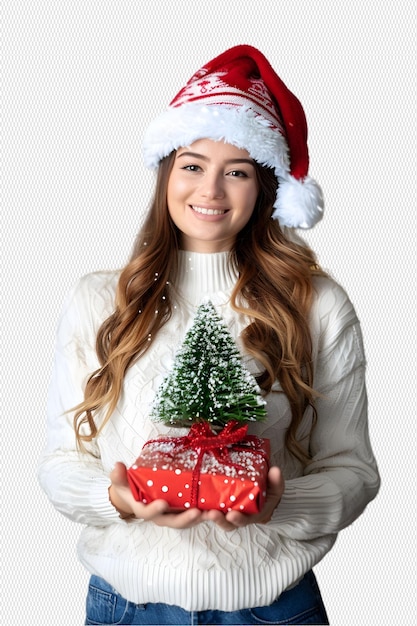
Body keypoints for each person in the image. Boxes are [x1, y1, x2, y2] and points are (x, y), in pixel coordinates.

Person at [38, 45, 380, 625]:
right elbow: (61, 463)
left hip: (272, 608)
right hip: (129, 607)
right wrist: (117, 501)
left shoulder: (316, 303)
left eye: (238, 171)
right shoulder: (98, 301)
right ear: (167, 172)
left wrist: (277, 503)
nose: (211, 191)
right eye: (193, 165)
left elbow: (354, 472)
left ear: (266, 186)